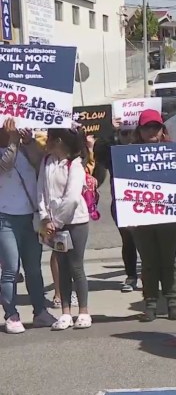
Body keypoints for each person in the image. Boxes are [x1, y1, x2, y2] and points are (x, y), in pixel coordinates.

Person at [0, 118, 57, 333]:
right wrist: (13, 141)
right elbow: (5, 166)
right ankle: (11, 314)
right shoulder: (8, 149)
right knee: (10, 269)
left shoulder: (24, 148)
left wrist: (28, 141)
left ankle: (40, 311)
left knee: (33, 268)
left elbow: (39, 163)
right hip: (4, 218)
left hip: (29, 217)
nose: (9, 129)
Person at [130, 110, 176, 322]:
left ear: (163, 130)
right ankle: (150, 303)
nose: (151, 131)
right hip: (142, 216)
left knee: (168, 260)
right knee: (149, 261)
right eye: (146, 127)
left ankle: (172, 303)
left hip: (169, 216)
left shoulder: (174, 151)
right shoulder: (130, 154)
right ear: (139, 131)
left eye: (155, 127)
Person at [38, 128, 92, 330]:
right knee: (62, 266)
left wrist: (57, 221)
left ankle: (84, 311)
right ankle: (66, 312)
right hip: (53, 223)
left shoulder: (75, 165)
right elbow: (40, 191)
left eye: (49, 138)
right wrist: (45, 217)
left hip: (75, 221)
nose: (46, 142)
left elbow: (71, 198)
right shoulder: (47, 162)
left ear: (58, 140)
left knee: (76, 266)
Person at [94, 118, 141, 293]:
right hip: (122, 204)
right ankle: (131, 276)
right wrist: (109, 129)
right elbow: (99, 149)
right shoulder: (113, 154)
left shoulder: (146, 149)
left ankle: (152, 276)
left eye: (132, 132)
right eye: (124, 133)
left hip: (147, 202)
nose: (128, 137)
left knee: (147, 243)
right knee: (129, 241)